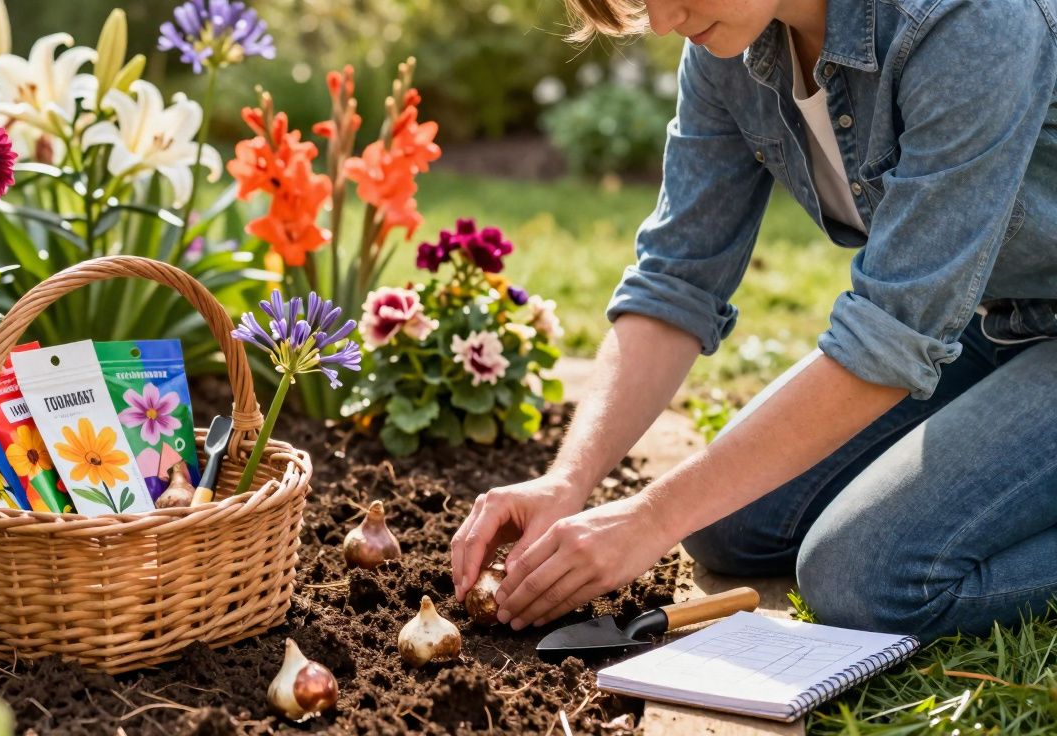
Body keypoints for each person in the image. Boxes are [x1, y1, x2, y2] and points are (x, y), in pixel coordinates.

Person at [449, 0, 1057, 641]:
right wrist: (567, 480)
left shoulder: (970, 20)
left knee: (864, 578)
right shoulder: (734, 49)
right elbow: (676, 279)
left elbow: (890, 333)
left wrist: (649, 520)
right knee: (727, 522)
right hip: (988, 321)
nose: (660, 21)